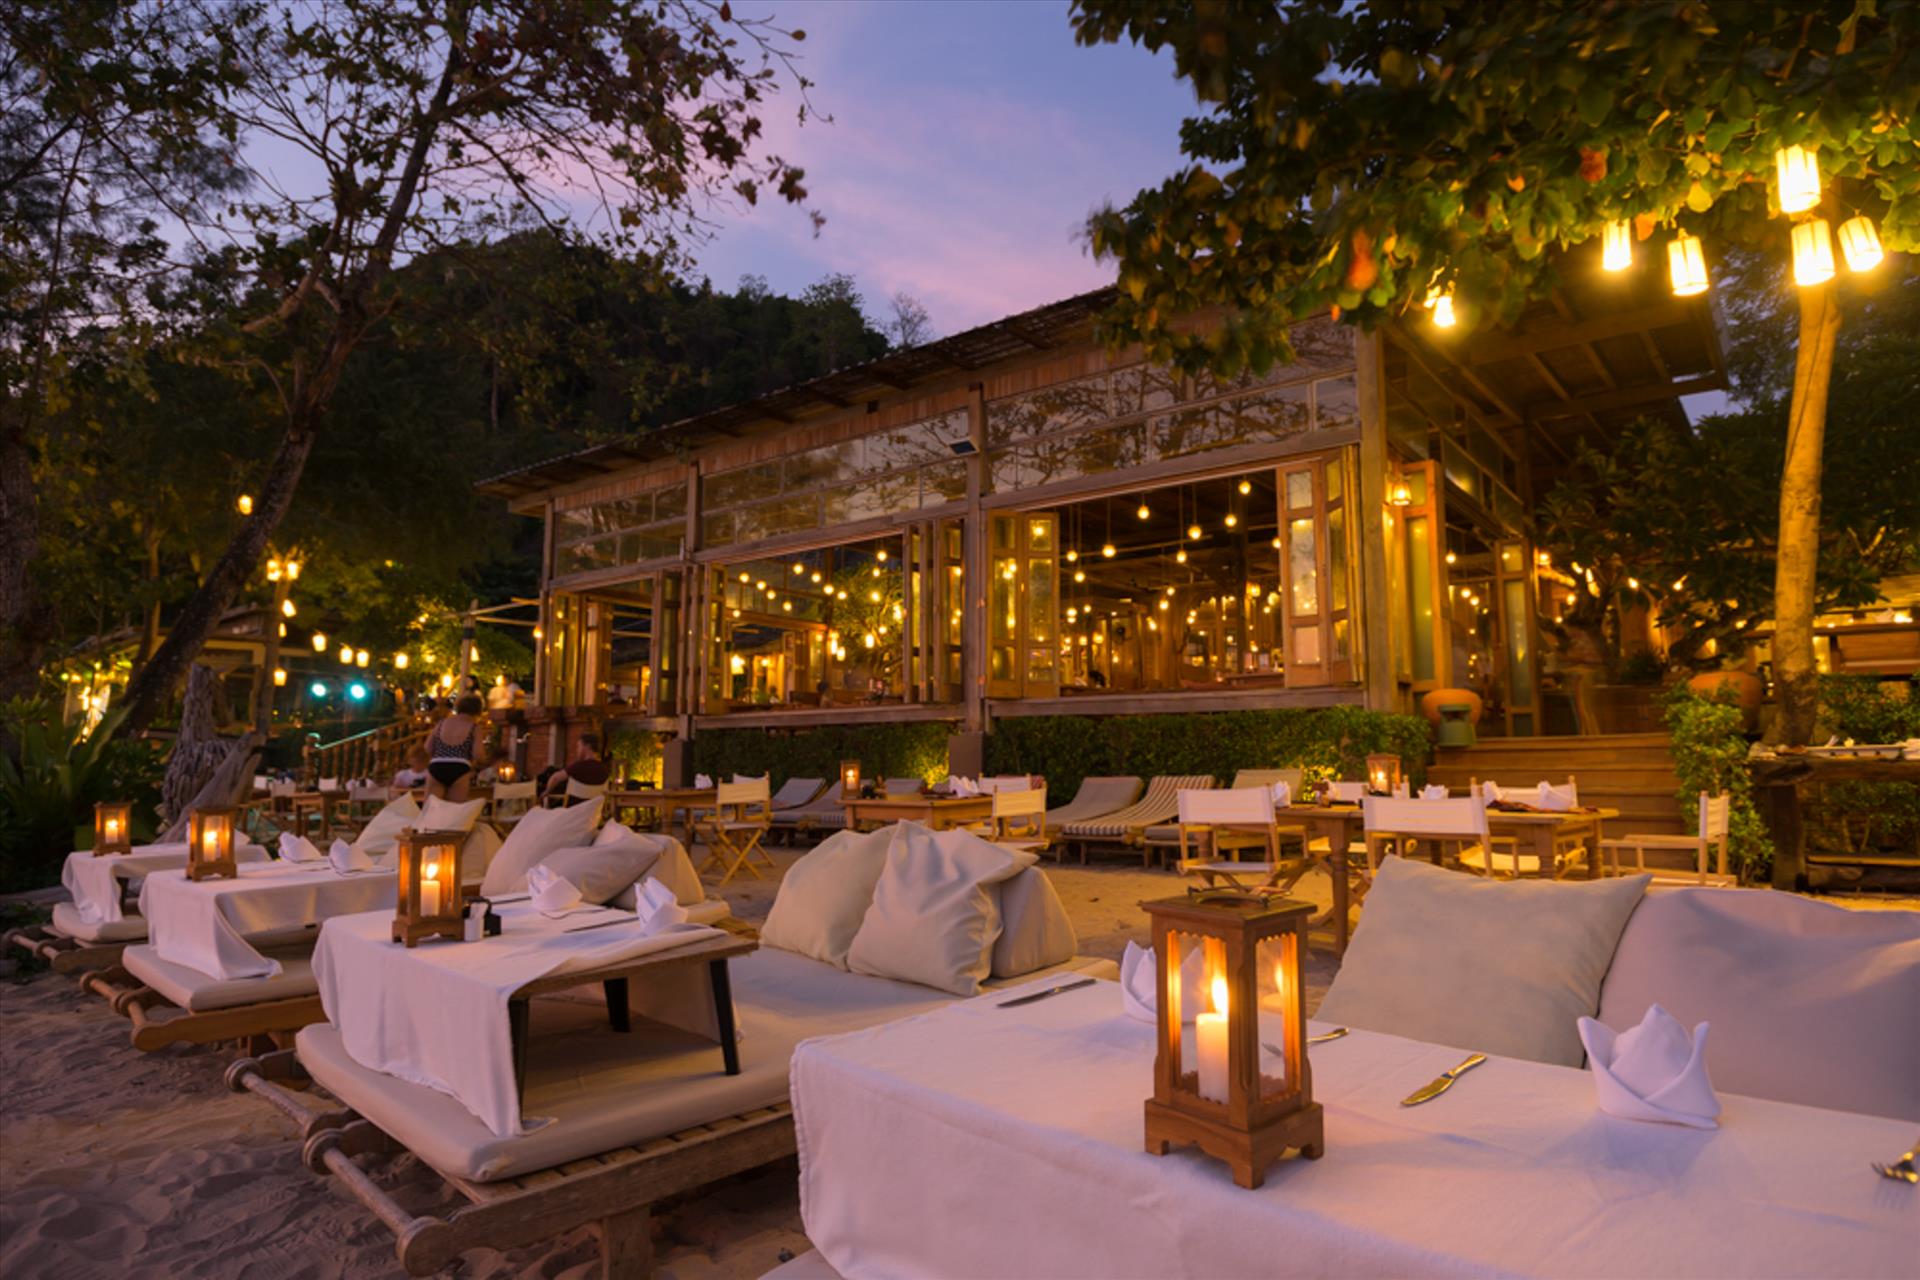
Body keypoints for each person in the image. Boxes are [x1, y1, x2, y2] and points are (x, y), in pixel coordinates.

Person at [425, 695, 484, 801]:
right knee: (455, 809)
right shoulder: (474, 727)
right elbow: (478, 755)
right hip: (460, 766)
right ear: (478, 710)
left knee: (430, 808)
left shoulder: (442, 723)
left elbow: (427, 748)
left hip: (437, 765)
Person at [542, 732, 610, 802]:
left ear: (588, 746)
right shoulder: (604, 770)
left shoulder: (578, 767)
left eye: (579, 746)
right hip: (594, 808)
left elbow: (555, 778)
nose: (577, 750)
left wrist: (547, 791)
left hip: (574, 808)